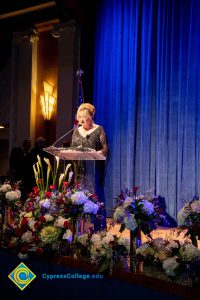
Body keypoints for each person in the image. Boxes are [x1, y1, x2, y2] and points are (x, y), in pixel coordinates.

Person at [71, 103, 109, 231]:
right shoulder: (76, 131)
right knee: (79, 197)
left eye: (84, 117)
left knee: (96, 197)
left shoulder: (99, 129)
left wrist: (95, 154)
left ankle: (99, 228)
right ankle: (80, 228)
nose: (81, 120)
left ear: (91, 117)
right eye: (79, 117)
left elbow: (105, 149)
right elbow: (72, 149)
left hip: (95, 171)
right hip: (80, 172)